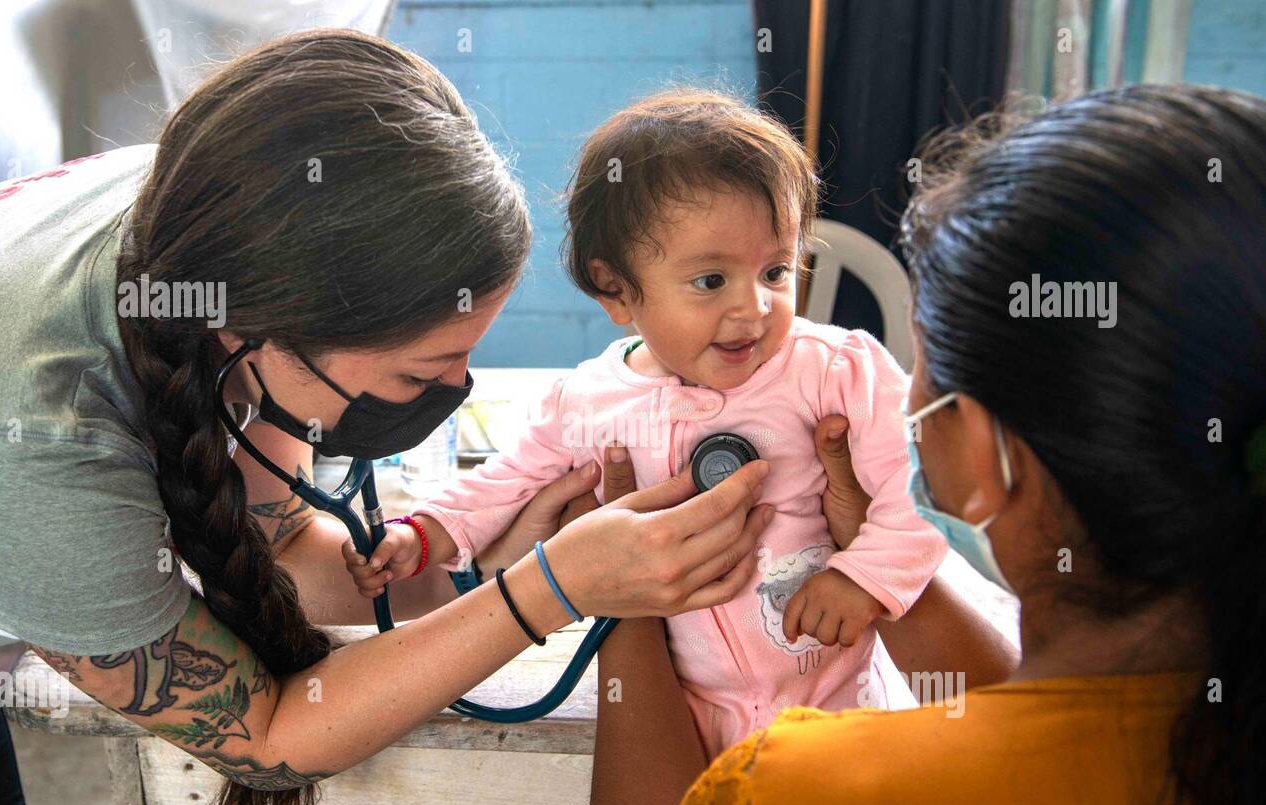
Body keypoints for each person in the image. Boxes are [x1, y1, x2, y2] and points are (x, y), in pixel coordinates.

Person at [0, 30, 772, 805]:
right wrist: (553, 588)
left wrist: (483, 569)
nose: (456, 388)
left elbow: (282, 552)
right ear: (267, 331)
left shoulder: (233, 229)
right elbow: (268, 738)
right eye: (423, 371)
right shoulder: (35, 447)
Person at [586, 84, 1266, 805]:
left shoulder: (797, 800)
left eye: (919, 368)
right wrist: (872, 562)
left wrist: (621, 600)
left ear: (982, 453)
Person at [347, 89, 948, 759]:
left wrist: (863, 577)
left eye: (776, 270)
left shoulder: (834, 371)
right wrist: (425, 533)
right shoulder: (588, 400)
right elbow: (509, 481)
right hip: (688, 718)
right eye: (711, 281)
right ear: (616, 289)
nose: (754, 306)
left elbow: (920, 487)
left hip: (837, 701)